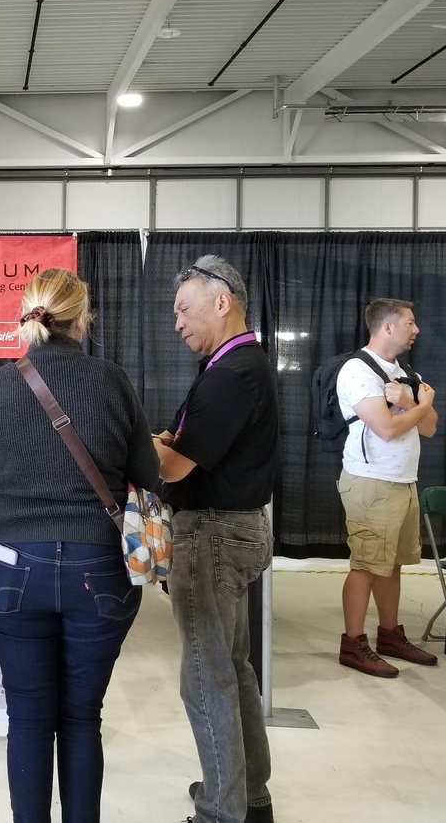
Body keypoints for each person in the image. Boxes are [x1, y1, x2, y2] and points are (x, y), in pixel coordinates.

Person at [0, 267, 159, 823]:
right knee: (80, 717)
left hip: (14, 568)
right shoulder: (111, 381)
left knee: (27, 717)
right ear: (81, 319)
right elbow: (147, 471)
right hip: (100, 566)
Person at [151, 256, 277, 823]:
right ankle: (247, 794)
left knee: (206, 676)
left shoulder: (233, 372)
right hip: (232, 530)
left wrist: (143, 444)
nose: (177, 323)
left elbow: (175, 466)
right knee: (233, 666)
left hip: (212, 534)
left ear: (221, 301)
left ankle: (221, 811)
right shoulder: (237, 367)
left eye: (184, 308)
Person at [335, 298, 439, 678]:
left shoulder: (402, 371)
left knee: (392, 563)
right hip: (371, 482)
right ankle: (353, 643)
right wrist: (422, 404)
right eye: (411, 322)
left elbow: (429, 428)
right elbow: (387, 428)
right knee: (365, 564)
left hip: (402, 481)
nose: (417, 329)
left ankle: (390, 635)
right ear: (388, 327)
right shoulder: (357, 370)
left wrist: (413, 400)